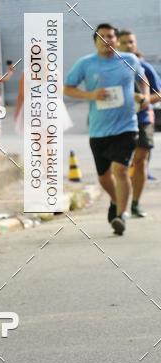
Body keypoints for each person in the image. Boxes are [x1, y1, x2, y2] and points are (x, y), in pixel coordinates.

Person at [64, 23, 148, 235]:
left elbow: (142, 79)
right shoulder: (85, 64)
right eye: (102, 37)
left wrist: (145, 96)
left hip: (127, 126)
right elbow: (67, 88)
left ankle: (121, 215)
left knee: (120, 170)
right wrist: (90, 95)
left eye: (110, 36)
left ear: (116, 40)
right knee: (103, 177)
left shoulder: (129, 60)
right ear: (95, 42)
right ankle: (115, 199)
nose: (107, 40)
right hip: (99, 129)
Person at [117, 29, 161, 217]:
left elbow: (158, 93)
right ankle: (120, 204)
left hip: (143, 119)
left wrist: (142, 101)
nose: (129, 45)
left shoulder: (144, 67)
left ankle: (135, 203)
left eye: (131, 42)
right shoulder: (112, 68)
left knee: (141, 160)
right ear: (117, 44)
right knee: (121, 165)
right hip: (118, 121)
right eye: (125, 42)